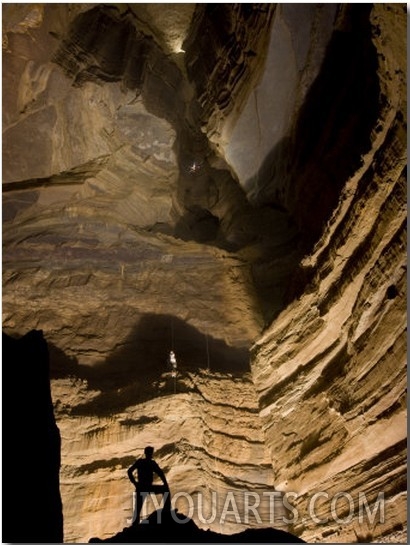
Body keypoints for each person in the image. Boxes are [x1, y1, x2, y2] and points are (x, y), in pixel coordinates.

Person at [127, 446, 170, 525]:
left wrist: (135, 483)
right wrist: (165, 484)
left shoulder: (140, 462)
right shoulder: (151, 463)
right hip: (147, 487)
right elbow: (160, 473)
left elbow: (129, 471)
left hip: (141, 488)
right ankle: (167, 511)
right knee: (165, 490)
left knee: (137, 509)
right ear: (150, 453)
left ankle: (134, 526)